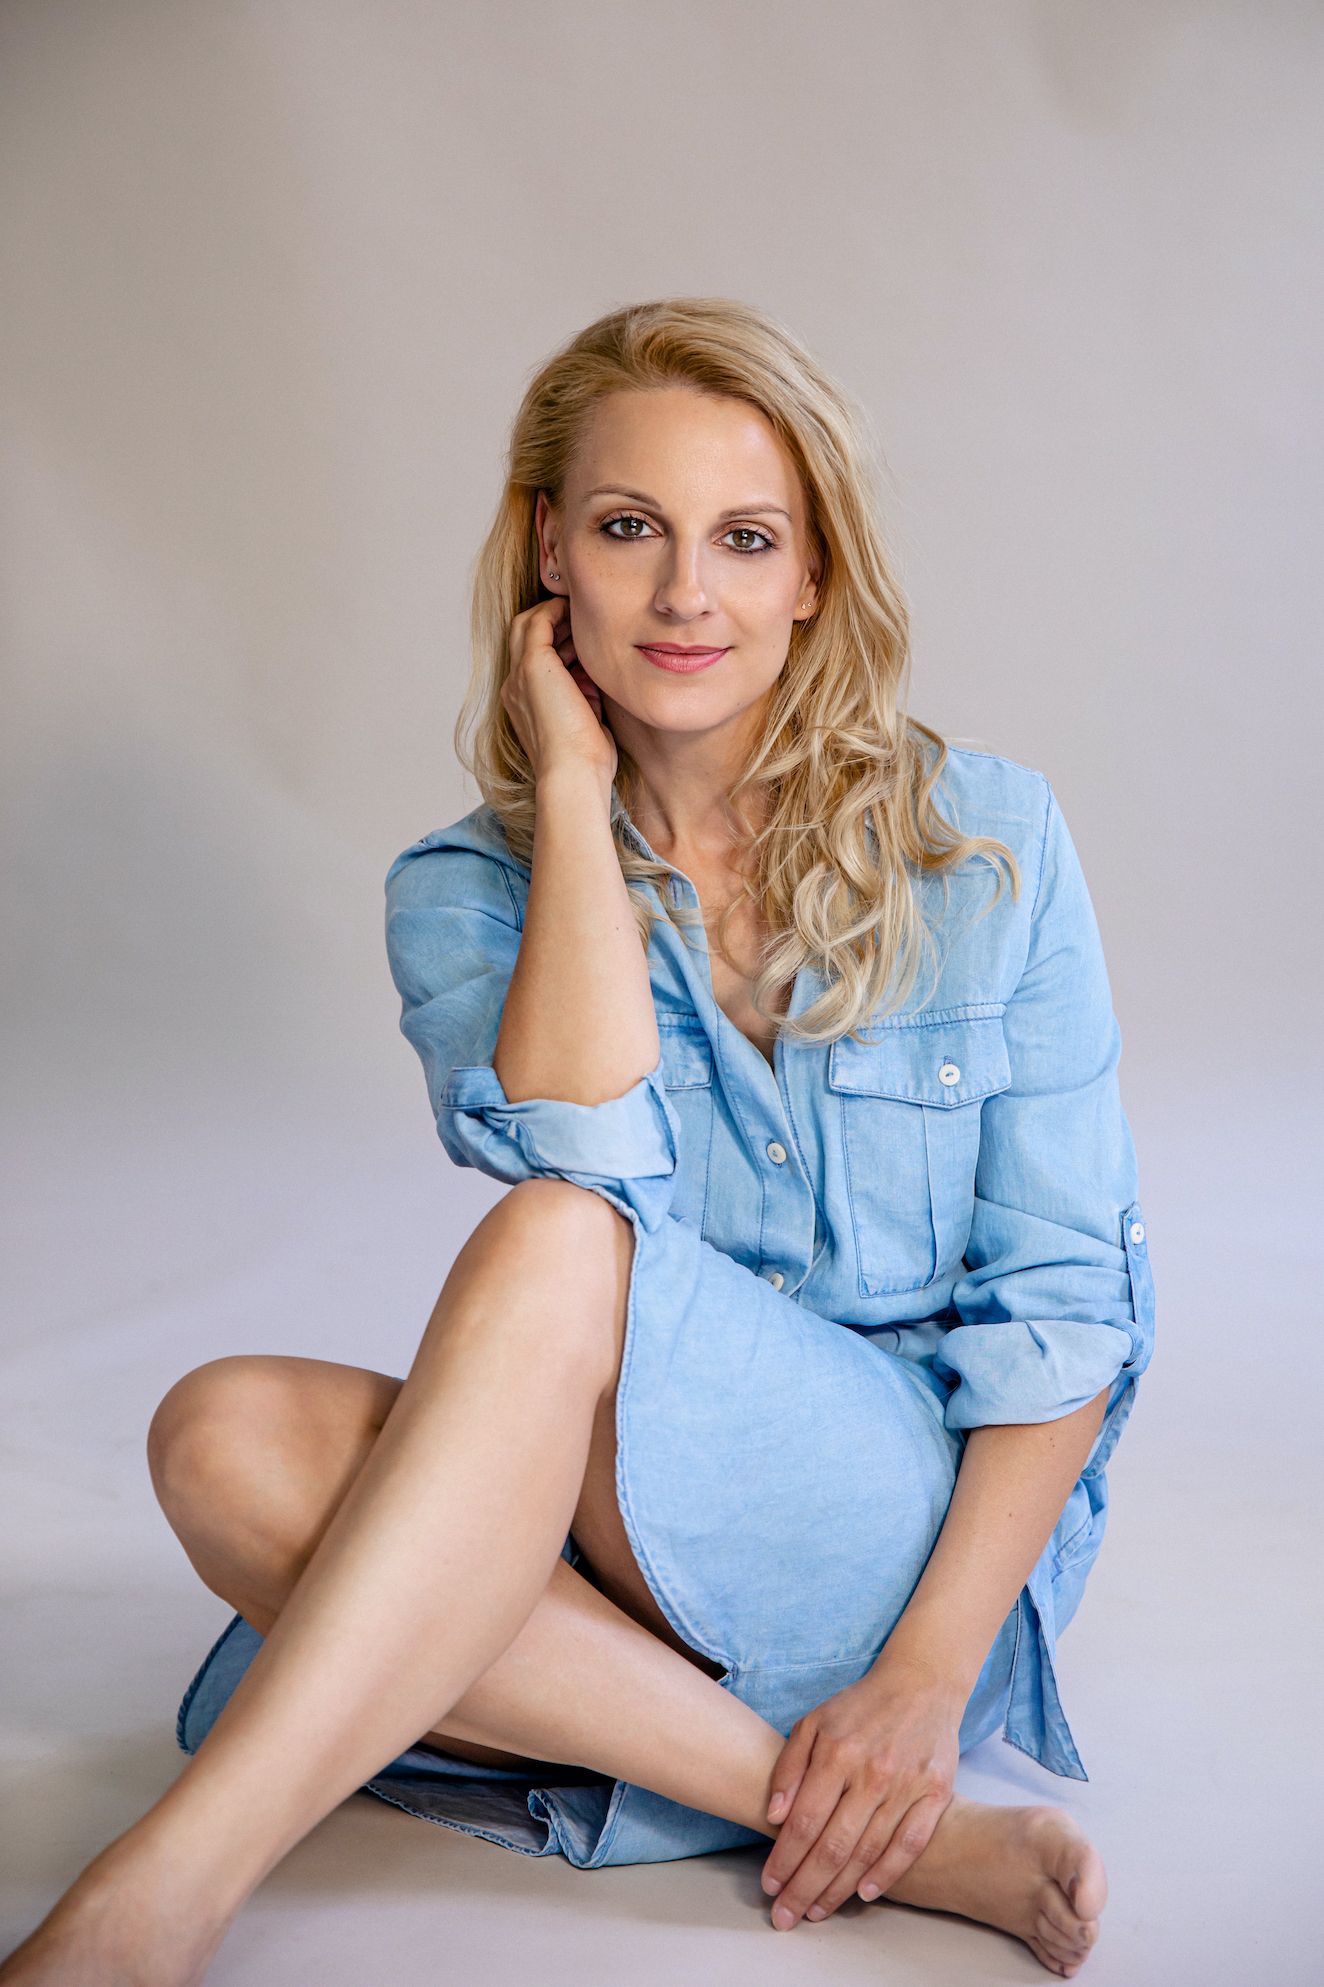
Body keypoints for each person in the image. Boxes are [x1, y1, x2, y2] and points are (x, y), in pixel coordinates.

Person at [0, 297, 1155, 1984]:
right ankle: (884, 1836)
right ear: (551, 551)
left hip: (906, 1560)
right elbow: (590, 1148)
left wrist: (922, 1677)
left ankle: (156, 1896)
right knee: (222, 1435)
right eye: (629, 530)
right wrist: (566, 789)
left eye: (744, 539)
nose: (686, 593)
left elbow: (1064, 1313)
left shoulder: (987, 843)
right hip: (623, 1567)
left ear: (813, 574)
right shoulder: (465, 893)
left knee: (554, 1240)